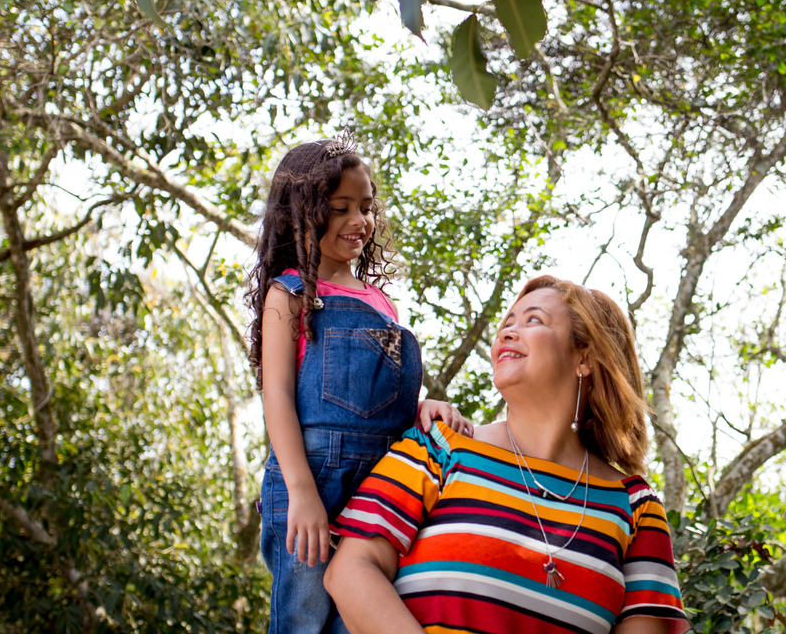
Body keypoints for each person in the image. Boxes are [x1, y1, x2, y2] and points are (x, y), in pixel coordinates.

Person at [325, 275, 690, 634]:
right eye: (507, 323)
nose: (507, 332)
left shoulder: (636, 506)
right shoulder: (440, 446)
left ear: (585, 357)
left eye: (534, 320)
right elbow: (352, 570)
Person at [247, 135, 470, 634]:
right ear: (300, 215)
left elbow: (384, 394)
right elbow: (277, 395)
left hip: (383, 483)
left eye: (366, 208)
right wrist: (302, 491)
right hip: (312, 479)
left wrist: (423, 407)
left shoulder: (382, 302)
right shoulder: (289, 293)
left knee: (360, 617)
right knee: (304, 621)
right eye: (341, 207)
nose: (359, 220)